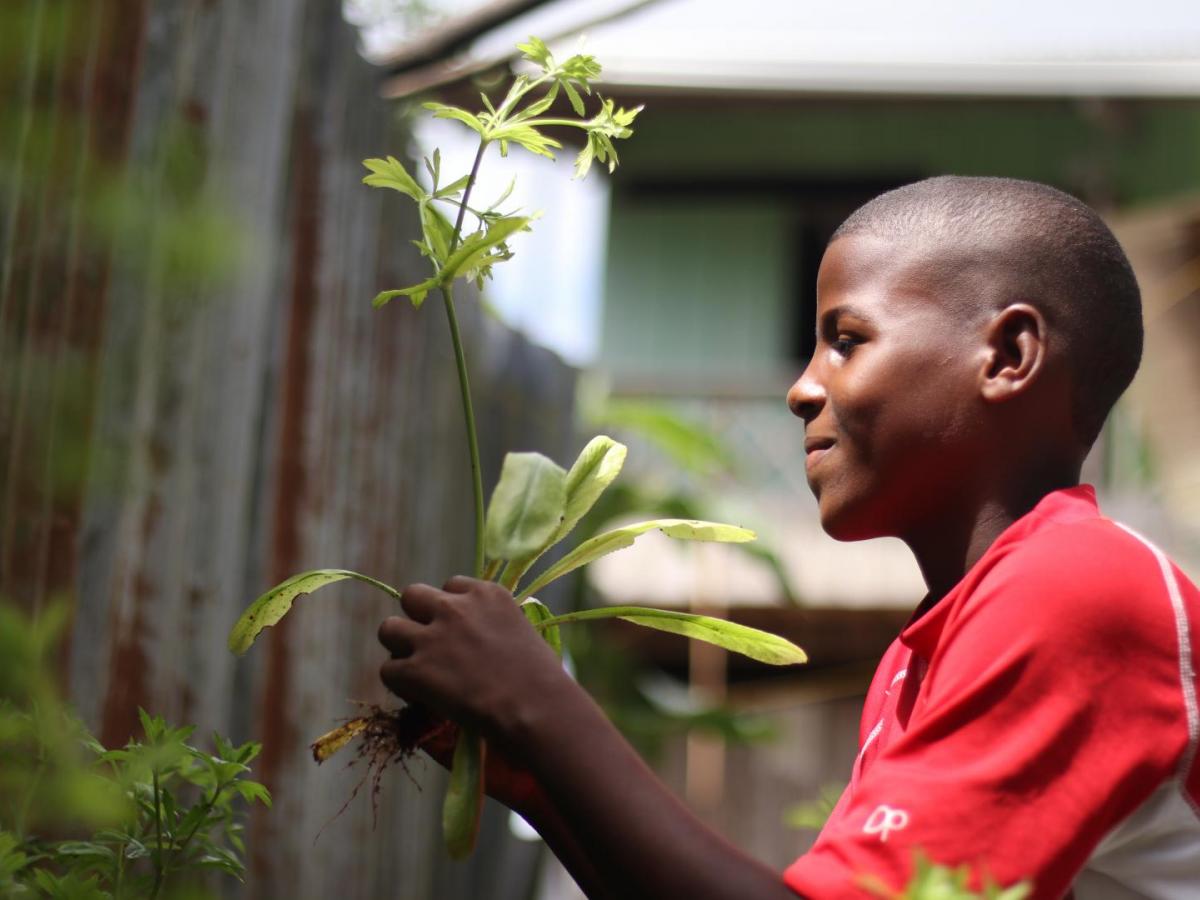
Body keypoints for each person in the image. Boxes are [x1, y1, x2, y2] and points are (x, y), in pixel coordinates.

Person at [377, 176, 1200, 899]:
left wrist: (538, 707)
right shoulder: (923, 656)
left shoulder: (1074, 589)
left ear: (1008, 354)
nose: (802, 387)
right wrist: (532, 773)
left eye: (846, 340)